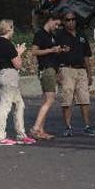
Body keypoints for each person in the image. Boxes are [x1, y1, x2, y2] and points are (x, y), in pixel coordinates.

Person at [0, 19, 35, 146]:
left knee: (19, 104)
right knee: (5, 106)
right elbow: (18, 64)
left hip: (3, 74)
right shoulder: (7, 44)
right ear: (9, 28)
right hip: (10, 75)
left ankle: (21, 135)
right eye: (13, 28)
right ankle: (0, 137)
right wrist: (19, 52)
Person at [54, 11, 95, 137]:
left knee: (84, 99)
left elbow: (86, 56)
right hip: (66, 69)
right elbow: (54, 55)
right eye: (67, 20)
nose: (71, 22)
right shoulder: (59, 36)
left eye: (73, 19)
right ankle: (68, 126)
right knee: (67, 99)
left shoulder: (82, 35)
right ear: (63, 21)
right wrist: (57, 72)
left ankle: (87, 126)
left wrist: (89, 74)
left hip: (81, 70)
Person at [29, 12, 64, 140]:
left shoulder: (51, 36)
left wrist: (58, 51)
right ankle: (35, 128)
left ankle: (40, 130)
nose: (56, 27)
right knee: (50, 99)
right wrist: (51, 50)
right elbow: (33, 51)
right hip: (46, 69)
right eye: (56, 24)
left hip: (52, 69)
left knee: (45, 100)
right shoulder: (40, 34)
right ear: (50, 20)